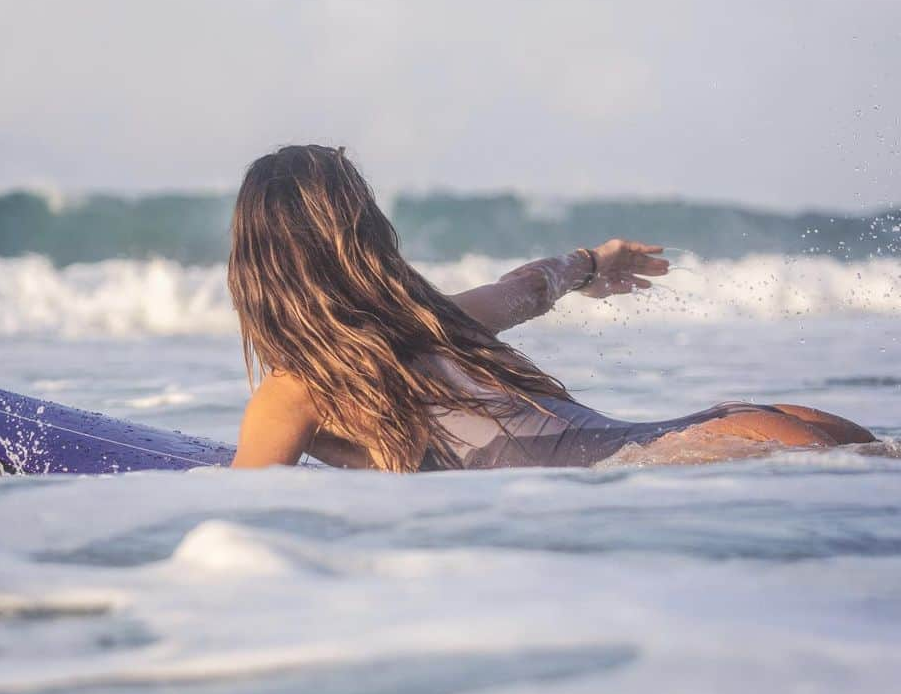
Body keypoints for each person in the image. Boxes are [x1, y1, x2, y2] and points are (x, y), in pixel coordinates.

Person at [227, 145, 873, 471]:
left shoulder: (294, 391)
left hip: (677, 456)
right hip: (724, 423)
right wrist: (591, 262)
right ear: (364, 236)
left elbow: (250, 521)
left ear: (260, 268)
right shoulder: (432, 322)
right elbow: (528, 286)